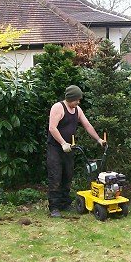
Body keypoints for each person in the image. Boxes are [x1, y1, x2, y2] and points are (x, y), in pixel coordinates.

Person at [47, 85, 106, 218]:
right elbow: (52, 128)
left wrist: (98, 140)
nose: (78, 102)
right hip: (55, 148)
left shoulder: (77, 110)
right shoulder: (58, 107)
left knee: (68, 175)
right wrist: (62, 143)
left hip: (69, 148)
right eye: (77, 100)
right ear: (70, 98)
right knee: (55, 177)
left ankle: (64, 203)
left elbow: (87, 125)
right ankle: (54, 207)